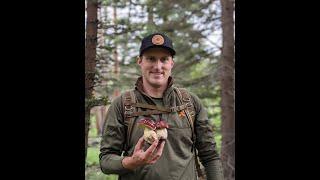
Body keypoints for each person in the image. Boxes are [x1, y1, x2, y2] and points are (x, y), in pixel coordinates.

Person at [99, 32, 224, 180]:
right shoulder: (123, 105)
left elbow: (210, 156)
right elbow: (106, 160)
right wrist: (130, 162)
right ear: (140, 61)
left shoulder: (190, 103)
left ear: (171, 63)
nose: (157, 66)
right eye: (151, 59)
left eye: (164, 59)